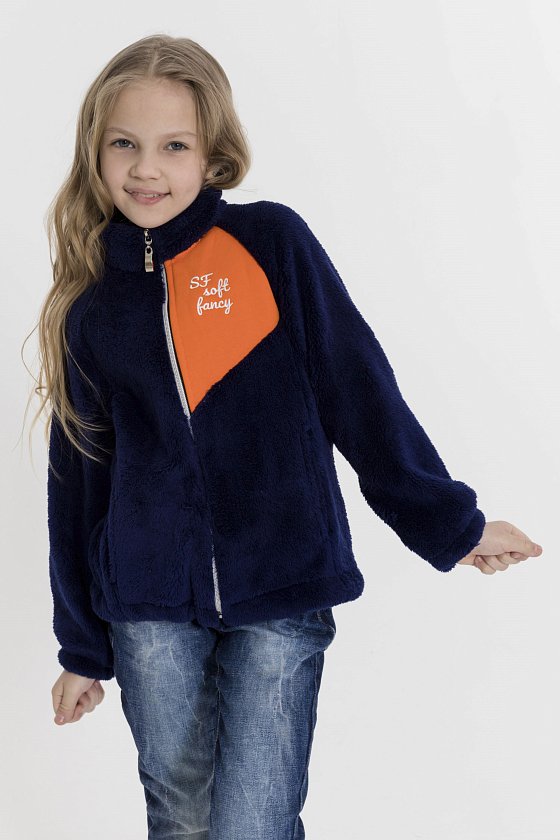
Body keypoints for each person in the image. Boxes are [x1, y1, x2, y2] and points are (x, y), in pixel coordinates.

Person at [33, 33, 543, 840]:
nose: (146, 169)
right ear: (94, 152)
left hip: (284, 584)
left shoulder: (270, 244)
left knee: (255, 824)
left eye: (174, 146)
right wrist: (82, 648)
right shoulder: (90, 306)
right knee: (181, 817)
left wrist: (453, 525)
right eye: (124, 144)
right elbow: (78, 485)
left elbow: (359, 390)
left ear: (214, 154)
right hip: (148, 608)